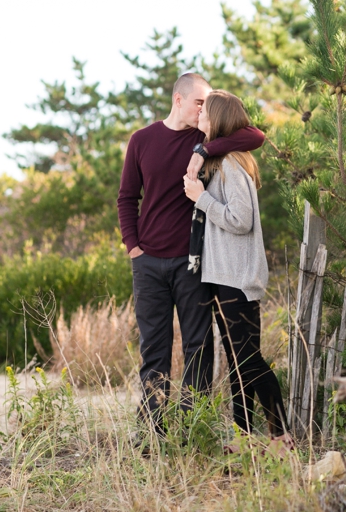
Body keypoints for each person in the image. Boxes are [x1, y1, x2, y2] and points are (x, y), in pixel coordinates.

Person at [117, 73, 264, 433]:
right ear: (179, 100)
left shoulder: (205, 138)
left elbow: (256, 136)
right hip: (148, 263)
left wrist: (203, 150)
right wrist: (133, 247)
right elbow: (126, 198)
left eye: (207, 105)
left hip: (192, 262)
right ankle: (153, 430)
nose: (204, 109)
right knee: (155, 349)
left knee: (198, 347)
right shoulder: (141, 140)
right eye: (200, 102)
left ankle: (190, 427)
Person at [182, 90, 292, 449]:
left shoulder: (231, 164)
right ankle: (243, 436)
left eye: (205, 111)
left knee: (248, 359)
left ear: (216, 118)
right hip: (223, 277)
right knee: (238, 362)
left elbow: (240, 220)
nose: (199, 115)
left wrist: (202, 199)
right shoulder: (222, 159)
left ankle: (281, 434)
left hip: (237, 279)